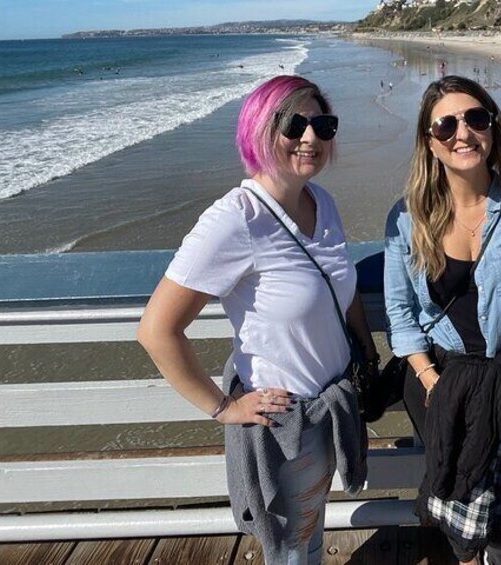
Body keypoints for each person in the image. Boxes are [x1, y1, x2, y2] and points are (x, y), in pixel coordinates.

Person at [137, 75, 377, 565]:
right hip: (285, 423)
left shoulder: (322, 202)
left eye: (323, 125)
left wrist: (366, 349)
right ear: (259, 129)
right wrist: (223, 408)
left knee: (309, 535)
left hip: (332, 406)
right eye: (294, 124)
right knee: (290, 549)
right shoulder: (236, 218)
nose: (310, 137)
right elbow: (156, 330)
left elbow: (341, 282)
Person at [384, 75, 501, 564]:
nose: (463, 133)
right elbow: (399, 313)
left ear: (492, 127)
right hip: (439, 377)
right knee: (458, 499)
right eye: (446, 125)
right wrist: (432, 381)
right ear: (430, 142)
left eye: (475, 118)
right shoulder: (406, 218)